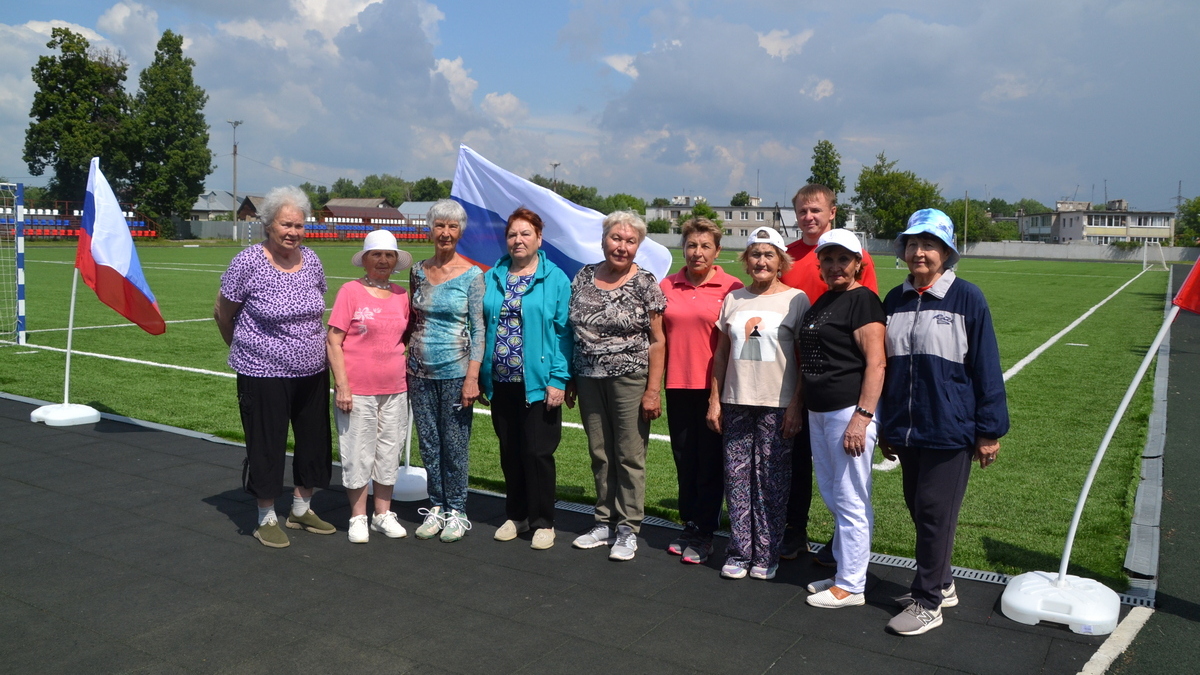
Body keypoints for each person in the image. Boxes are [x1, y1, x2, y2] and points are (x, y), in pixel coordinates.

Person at [879, 209, 1009, 636]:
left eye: (929, 244)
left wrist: (989, 431)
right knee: (919, 510)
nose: (919, 251)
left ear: (946, 252)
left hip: (949, 430)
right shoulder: (894, 300)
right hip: (908, 429)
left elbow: (986, 369)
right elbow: (888, 370)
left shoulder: (968, 298)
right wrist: (889, 426)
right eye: (914, 244)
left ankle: (928, 601)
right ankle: (943, 582)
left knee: (935, 513)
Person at [214, 185, 334, 549]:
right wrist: (243, 348)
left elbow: (316, 308)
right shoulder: (247, 262)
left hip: (312, 370)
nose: (293, 232)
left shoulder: (311, 260)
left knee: (314, 442)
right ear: (268, 225)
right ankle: (265, 515)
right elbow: (223, 313)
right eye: (286, 224)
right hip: (262, 371)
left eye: (299, 225)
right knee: (266, 444)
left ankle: (301, 507)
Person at [778, 183, 880, 565]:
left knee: (845, 478)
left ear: (832, 211)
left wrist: (864, 406)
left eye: (816, 210)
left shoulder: (857, 263)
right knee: (800, 459)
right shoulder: (787, 255)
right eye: (802, 211)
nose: (809, 217)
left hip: (840, 382)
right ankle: (795, 529)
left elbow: (867, 331)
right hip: (797, 372)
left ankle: (846, 549)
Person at [708, 227, 810, 580]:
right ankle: (739, 551)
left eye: (769, 255)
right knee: (737, 480)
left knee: (772, 480)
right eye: (755, 254)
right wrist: (715, 399)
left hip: (778, 404)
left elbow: (803, 358)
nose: (761, 261)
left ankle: (766, 553)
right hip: (737, 400)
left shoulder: (797, 299)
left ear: (781, 261)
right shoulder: (734, 299)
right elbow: (721, 355)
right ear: (745, 260)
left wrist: (797, 405)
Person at [567, 211, 666, 562]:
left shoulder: (645, 283)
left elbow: (657, 340)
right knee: (600, 453)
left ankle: (628, 529)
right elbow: (572, 329)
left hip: (630, 378)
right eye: (616, 238)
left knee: (628, 455)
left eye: (630, 241)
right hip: (588, 377)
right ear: (604, 238)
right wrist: (570, 377)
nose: (621, 247)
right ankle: (602, 522)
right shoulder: (584, 276)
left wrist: (653, 391)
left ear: (638, 246)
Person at [798, 229, 886, 609]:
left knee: (850, 497)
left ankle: (851, 585)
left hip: (847, 411)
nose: (836, 266)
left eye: (843, 259)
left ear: (858, 264)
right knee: (834, 494)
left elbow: (876, 362)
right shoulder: (823, 302)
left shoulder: (863, 301)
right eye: (828, 259)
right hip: (819, 411)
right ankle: (845, 571)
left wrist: (862, 418)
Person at [481, 207, 573, 551]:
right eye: (512, 235)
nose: (517, 240)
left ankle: (543, 521)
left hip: (539, 382)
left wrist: (559, 379)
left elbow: (564, 334)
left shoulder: (556, 278)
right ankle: (516, 515)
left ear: (539, 238)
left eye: (525, 234)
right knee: (511, 451)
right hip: (501, 381)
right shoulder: (494, 275)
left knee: (537, 453)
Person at [659, 217, 743, 564]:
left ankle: (706, 532)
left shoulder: (731, 287)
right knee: (684, 459)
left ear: (717, 250)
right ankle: (690, 523)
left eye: (705, 246)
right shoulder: (667, 285)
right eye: (692, 245)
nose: (697, 252)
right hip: (676, 385)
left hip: (713, 389)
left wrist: (717, 395)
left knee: (710, 462)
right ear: (683, 248)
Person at [327, 230, 415, 544]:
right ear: (365, 260)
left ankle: (382, 514)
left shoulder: (402, 296)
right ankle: (357, 517)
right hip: (357, 388)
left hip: (395, 388)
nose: (383, 261)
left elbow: (405, 340)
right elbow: (334, 340)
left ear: (396, 261)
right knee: (357, 453)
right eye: (376, 255)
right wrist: (343, 385)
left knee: (389, 452)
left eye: (389, 255)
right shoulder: (350, 292)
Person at [406, 199, 485, 543]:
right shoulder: (417, 272)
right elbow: (413, 321)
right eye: (440, 225)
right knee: (429, 443)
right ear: (430, 229)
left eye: (452, 227)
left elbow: (479, 330)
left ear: (461, 232)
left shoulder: (472, 275)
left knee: (455, 445)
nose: (445, 233)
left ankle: (457, 509)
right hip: (418, 373)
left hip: (456, 373)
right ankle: (435, 506)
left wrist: (472, 378)